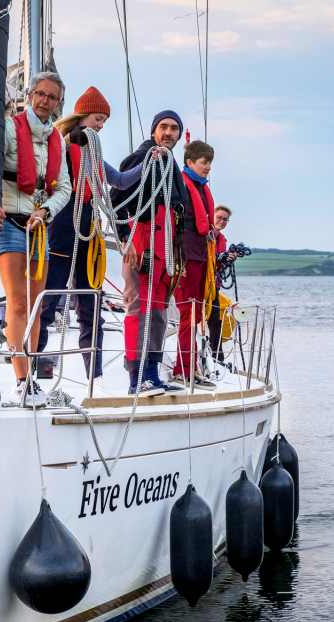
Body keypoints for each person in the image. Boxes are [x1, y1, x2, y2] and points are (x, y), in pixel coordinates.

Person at [0, 71, 73, 406]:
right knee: (18, 302)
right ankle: (22, 379)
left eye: (51, 97)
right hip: (10, 225)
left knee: (37, 307)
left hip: (39, 228)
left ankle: (31, 374)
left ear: (58, 104)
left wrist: (47, 212)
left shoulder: (57, 140)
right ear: (29, 95)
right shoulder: (10, 130)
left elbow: (66, 188)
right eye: (40, 94)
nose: (44, 101)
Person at [36, 86, 142, 383]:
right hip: (62, 227)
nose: (101, 125)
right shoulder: (62, 144)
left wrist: (148, 165)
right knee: (49, 299)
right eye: (98, 118)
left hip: (88, 230)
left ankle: (94, 377)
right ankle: (32, 369)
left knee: (90, 304)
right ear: (83, 115)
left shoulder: (94, 152)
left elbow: (119, 180)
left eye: (104, 121)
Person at [112, 110, 188, 396]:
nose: (168, 133)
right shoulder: (140, 159)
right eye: (163, 127)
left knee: (157, 312)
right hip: (141, 243)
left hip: (165, 248)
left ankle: (153, 374)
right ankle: (136, 378)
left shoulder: (171, 164)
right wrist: (124, 240)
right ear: (154, 130)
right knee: (138, 309)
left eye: (173, 129)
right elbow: (116, 200)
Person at [171, 140, 217, 390]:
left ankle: (191, 366)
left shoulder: (200, 187)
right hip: (186, 257)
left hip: (200, 256)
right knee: (187, 314)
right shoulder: (182, 187)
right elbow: (174, 223)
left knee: (196, 314)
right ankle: (183, 369)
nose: (208, 167)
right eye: (204, 162)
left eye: (210, 162)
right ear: (190, 162)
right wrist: (179, 260)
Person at [206, 204, 232, 360]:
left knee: (216, 321)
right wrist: (218, 258)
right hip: (201, 285)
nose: (222, 221)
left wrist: (227, 259)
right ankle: (214, 355)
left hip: (214, 285)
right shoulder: (205, 235)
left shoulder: (222, 239)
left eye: (225, 219)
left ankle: (217, 357)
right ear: (212, 217)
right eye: (219, 218)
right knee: (208, 319)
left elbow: (218, 264)